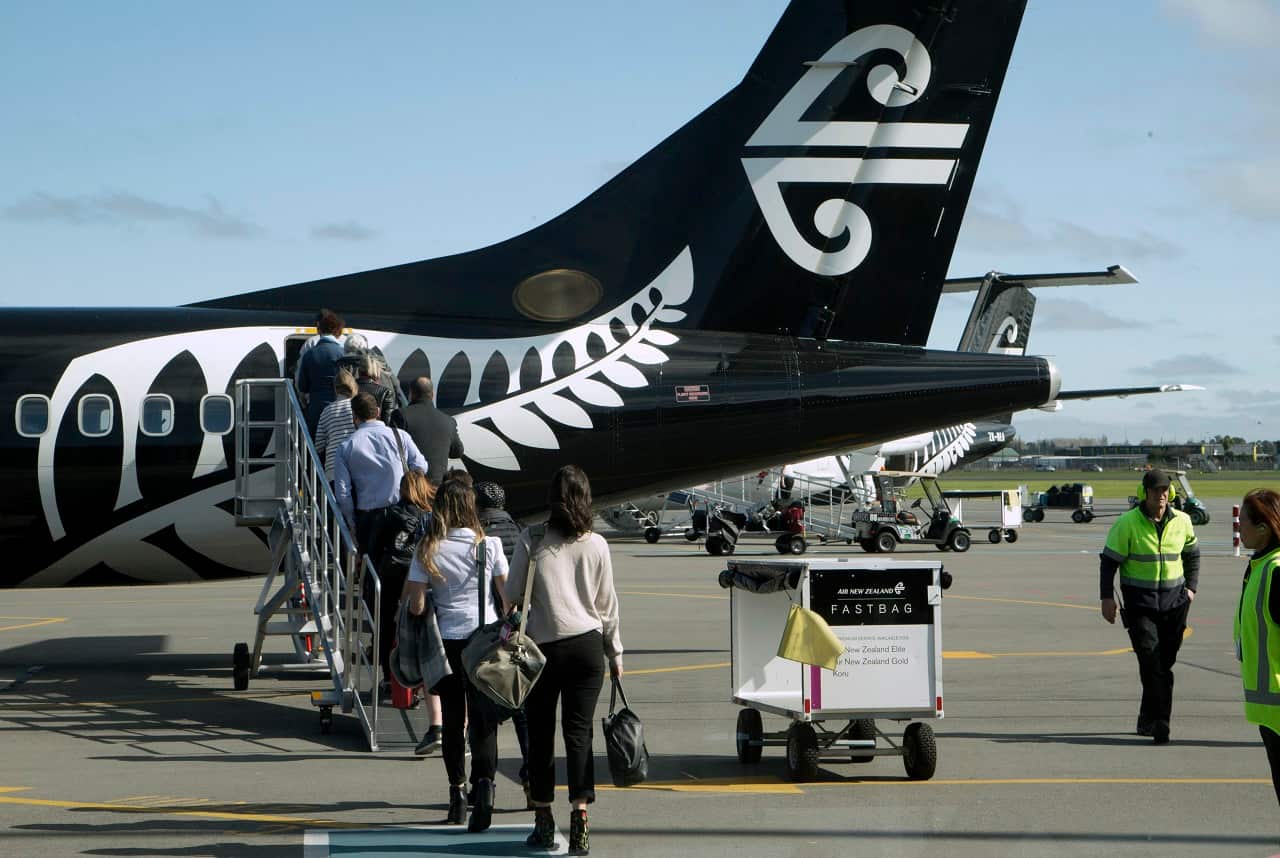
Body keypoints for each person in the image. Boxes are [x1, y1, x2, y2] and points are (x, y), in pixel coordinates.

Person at [506, 465, 622, 855]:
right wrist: (616, 653)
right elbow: (608, 607)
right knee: (579, 733)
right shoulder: (597, 544)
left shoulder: (533, 538)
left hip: (543, 649)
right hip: (588, 647)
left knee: (540, 734)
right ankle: (581, 821)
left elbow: (510, 594)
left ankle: (543, 818)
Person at [405, 478, 509, 831]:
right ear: (471, 508)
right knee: (484, 722)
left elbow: (416, 606)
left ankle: (457, 794)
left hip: (446, 643)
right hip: (484, 640)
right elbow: (507, 599)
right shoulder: (489, 545)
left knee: (452, 720)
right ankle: (485, 788)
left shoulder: (427, 548)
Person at [1099, 468, 1200, 745]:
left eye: (1166, 490)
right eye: (1156, 490)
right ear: (1145, 493)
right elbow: (1109, 563)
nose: (1162, 495)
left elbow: (1192, 555)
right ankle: (1161, 722)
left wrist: (1191, 588)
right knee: (1151, 661)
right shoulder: (1127, 523)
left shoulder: (1183, 521)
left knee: (1163, 663)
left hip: (1175, 605)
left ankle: (1147, 717)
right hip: (1140, 605)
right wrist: (1107, 597)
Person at [473, 480, 533, 808]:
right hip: (518, 631)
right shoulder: (521, 531)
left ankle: (484, 783)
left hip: (486, 632)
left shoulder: (479, 535)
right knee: (521, 708)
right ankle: (529, 778)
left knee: (484, 714)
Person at [333, 393, 427, 556]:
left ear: (354, 416)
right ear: (377, 411)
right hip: (401, 513)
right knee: (401, 564)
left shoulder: (346, 446)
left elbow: (342, 494)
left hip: (368, 518)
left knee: (371, 568)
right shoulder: (400, 436)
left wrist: (351, 523)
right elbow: (421, 466)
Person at [1234, 488, 1280, 807]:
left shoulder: (1276, 572)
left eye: (1245, 523)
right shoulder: (1259, 566)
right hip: (1270, 710)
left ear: (1263, 528)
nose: (1240, 528)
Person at [400, 377, 465, 487]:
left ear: (411, 394)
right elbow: (457, 452)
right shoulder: (448, 420)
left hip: (411, 488)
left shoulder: (401, 415)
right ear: (432, 395)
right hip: (437, 487)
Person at [295, 309, 345, 436]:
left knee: (316, 446)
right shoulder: (344, 354)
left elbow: (302, 386)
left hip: (317, 407)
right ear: (338, 331)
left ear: (319, 330)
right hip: (340, 407)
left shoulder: (310, 354)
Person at [313, 369, 358, 487]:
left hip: (334, 468)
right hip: (357, 465)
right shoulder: (358, 407)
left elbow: (319, 445)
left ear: (335, 388)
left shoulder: (327, 411)